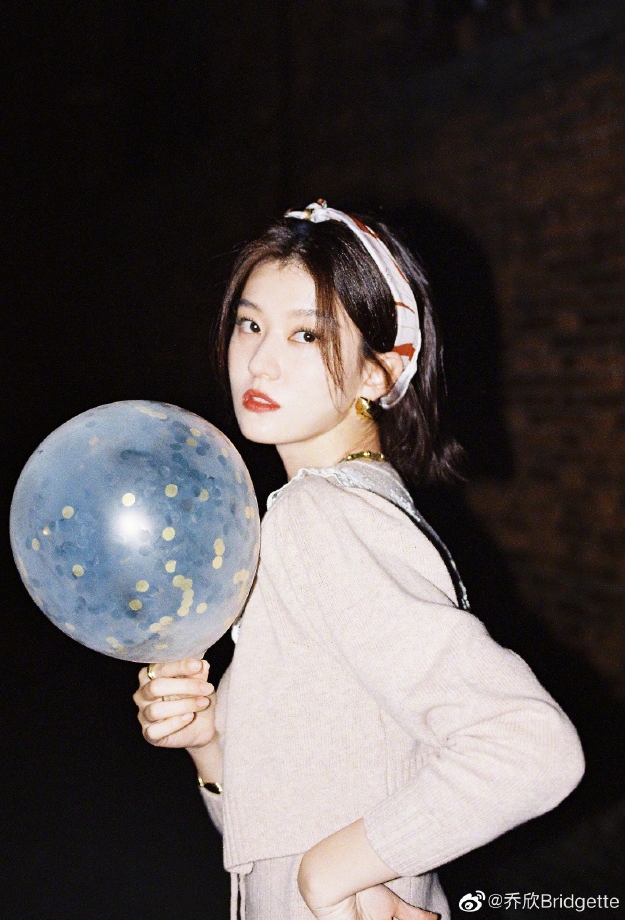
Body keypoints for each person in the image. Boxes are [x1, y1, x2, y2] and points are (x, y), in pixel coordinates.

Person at [133, 200, 584, 920]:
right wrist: (208, 743)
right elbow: (266, 833)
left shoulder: (323, 517)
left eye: (306, 333)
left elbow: (532, 747)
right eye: (251, 324)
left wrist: (329, 870)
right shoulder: (339, 508)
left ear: (379, 372)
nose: (260, 359)